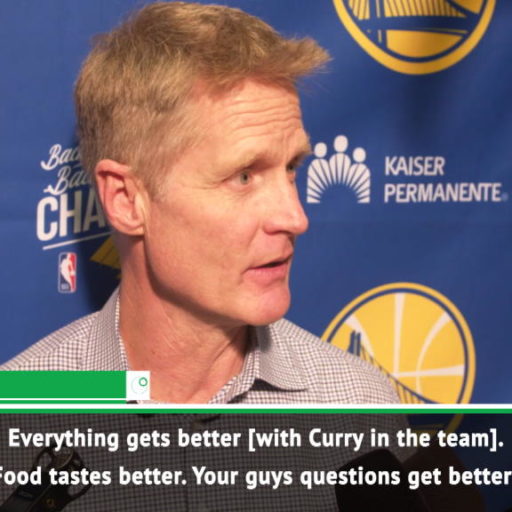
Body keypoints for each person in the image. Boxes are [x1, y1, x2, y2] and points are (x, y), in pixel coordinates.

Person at [1, 1, 398, 404]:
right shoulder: (23, 406)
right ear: (126, 200)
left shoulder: (357, 403)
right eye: (244, 176)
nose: (295, 218)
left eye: (291, 167)